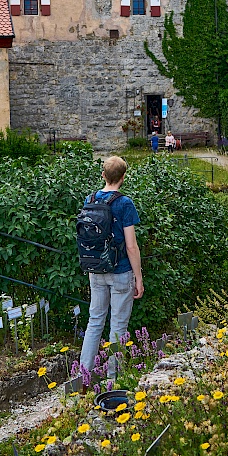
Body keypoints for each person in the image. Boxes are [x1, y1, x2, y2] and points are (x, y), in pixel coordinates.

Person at [79, 156, 144, 380]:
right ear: (123, 177)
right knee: (118, 325)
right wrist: (139, 278)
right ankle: (112, 379)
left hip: (95, 270)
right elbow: (131, 246)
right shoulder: (124, 203)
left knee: (94, 321)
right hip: (120, 271)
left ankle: (83, 376)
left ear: (103, 176)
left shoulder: (91, 198)